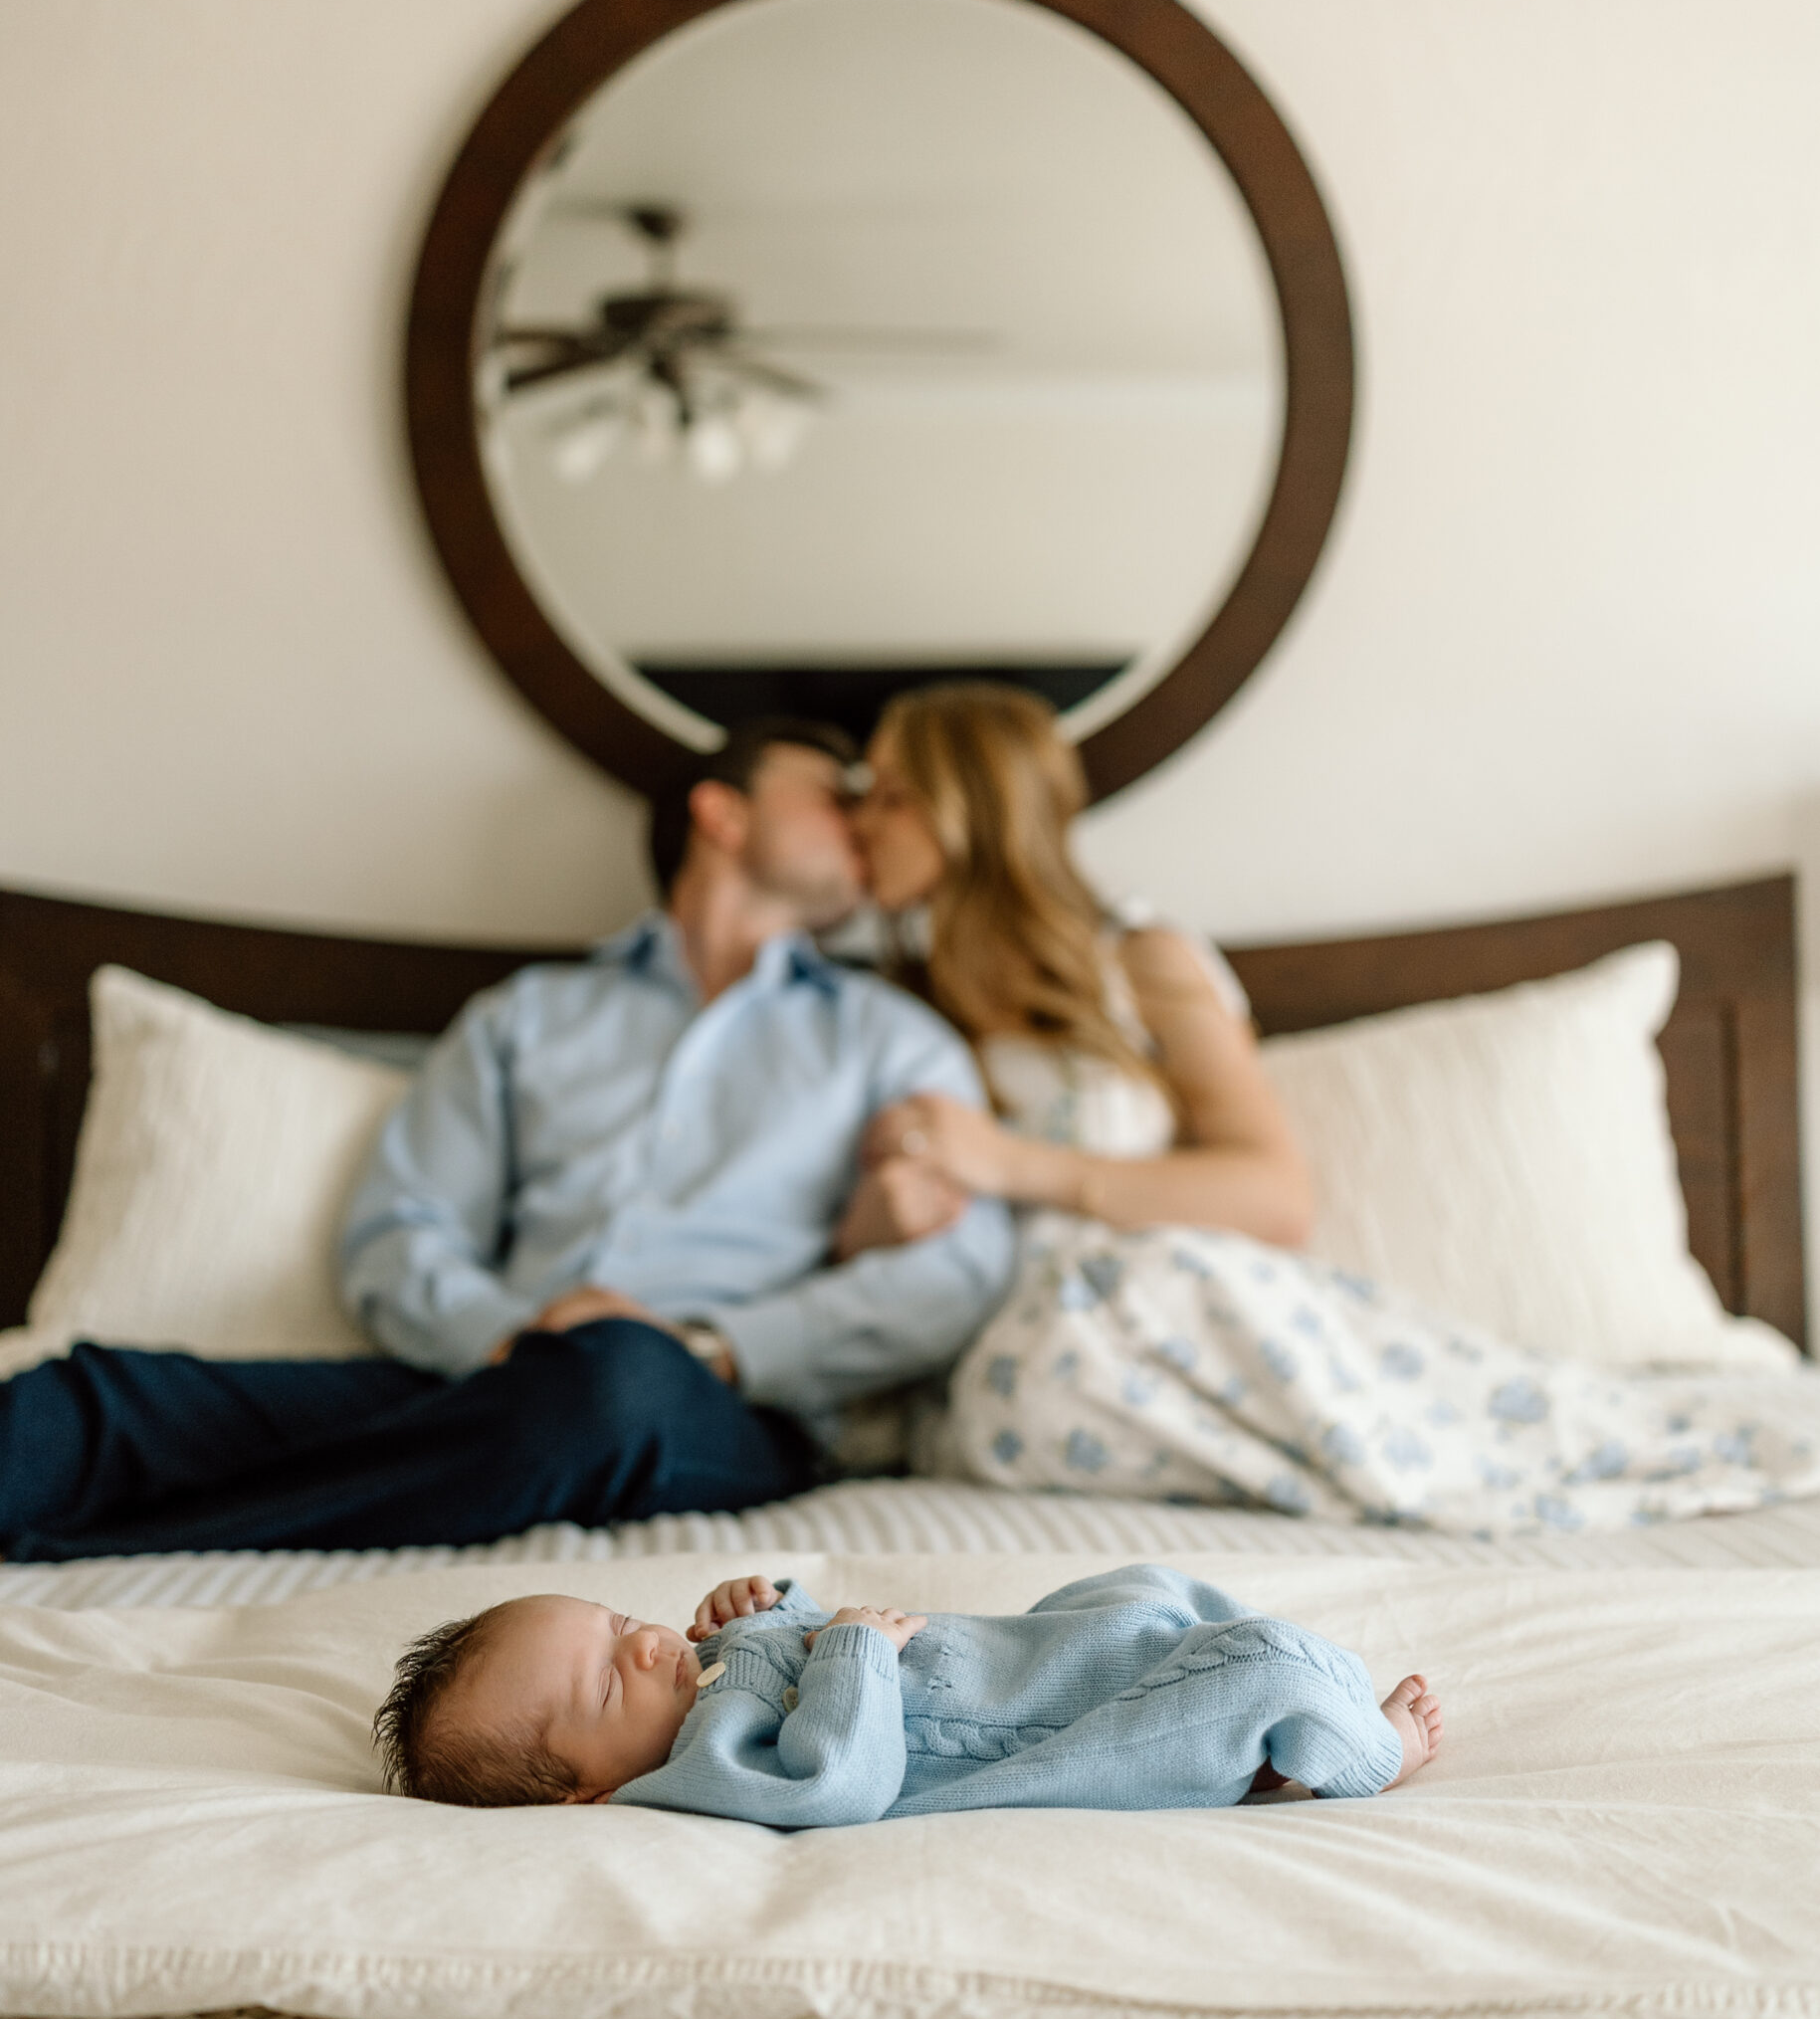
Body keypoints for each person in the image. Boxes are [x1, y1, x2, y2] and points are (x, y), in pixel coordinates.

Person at [0, 720, 1015, 1562]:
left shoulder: (890, 1038)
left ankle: (106, 1545)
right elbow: (398, 1232)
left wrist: (708, 1347)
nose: (861, 816)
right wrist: (508, 1335)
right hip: (490, 1373)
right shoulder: (526, 1016)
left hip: (706, 1401)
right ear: (722, 810)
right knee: (83, 1397)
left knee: (610, 1379)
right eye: (833, 792)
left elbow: (956, 1273)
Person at [834, 684, 1820, 1532]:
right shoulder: (892, 1010)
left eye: (892, 796)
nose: (861, 821)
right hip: (1015, 1379)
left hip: (1156, 1315)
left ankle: (1429, 1454)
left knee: (1140, 1302)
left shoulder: (1138, 964)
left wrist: (1011, 1165)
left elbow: (1271, 1196)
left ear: (972, 813)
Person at [372, 1564, 1444, 1818]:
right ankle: (1357, 1751)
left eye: (617, 1623)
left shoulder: (698, 1685)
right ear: (585, 1793)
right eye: (612, 1679)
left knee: (1139, 1588)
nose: (650, 1644)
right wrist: (846, 1652)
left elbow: (776, 1650)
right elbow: (839, 1776)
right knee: (1258, 1661)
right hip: (1043, 1721)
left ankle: (1247, 1757)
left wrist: (762, 1607)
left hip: (1028, 1652)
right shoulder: (706, 1768)